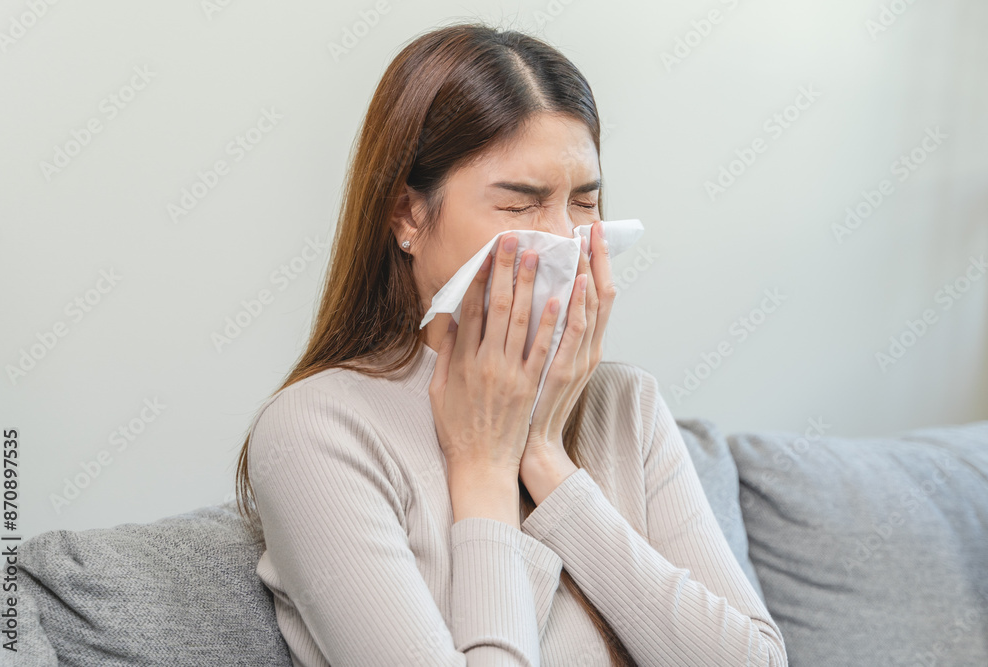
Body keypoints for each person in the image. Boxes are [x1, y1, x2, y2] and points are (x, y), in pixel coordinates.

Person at [233, 20, 788, 667]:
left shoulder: (625, 403)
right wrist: (486, 470)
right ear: (408, 215)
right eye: (521, 204)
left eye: (584, 202)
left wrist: (548, 461)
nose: (562, 240)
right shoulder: (319, 432)